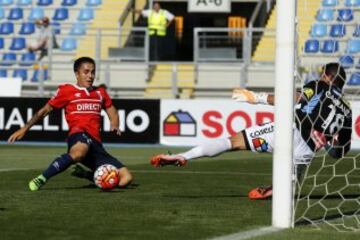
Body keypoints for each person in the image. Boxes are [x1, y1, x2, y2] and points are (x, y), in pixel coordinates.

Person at [150, 62, 352, 199]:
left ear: (327, 76)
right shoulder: (348, 110)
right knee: (289, 186)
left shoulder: (319, 85)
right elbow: (342, 149)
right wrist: (330, 147)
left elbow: (296, 97)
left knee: (234, 142)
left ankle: (183, 155)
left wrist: (257, 98)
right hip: (308, 151)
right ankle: (272, 190)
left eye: (322, 73)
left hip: (292, 130)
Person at [8, 57, 133, 191]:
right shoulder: (66, 90)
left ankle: (87, 175)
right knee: (79, 152)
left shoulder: (100, 92)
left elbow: (112, 110)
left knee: (126, 179)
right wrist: (25, 128)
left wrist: (115, 124)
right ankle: (43, 178)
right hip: (79, 135)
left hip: (96, 143)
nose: (90, 76)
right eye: (86, 72)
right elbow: (45, 111)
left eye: (93, 72)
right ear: (77, 73)